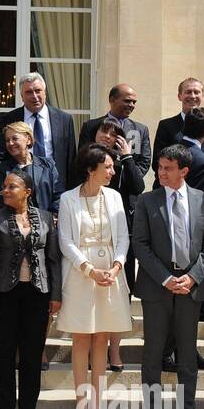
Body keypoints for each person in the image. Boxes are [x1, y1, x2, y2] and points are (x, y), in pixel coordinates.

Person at [132, 145, 204, 409]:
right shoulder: (147, 201)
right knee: (153, 352)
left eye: (168, 168)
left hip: (190, 287)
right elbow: (140, 244)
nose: (161, 172)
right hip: (158, 287)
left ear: (184, 171)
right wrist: (165, 278)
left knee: (187, 353)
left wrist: (193, 276)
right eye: (159, 166)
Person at [0, 170, 61, 409]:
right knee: (3, 352)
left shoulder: (45, 217)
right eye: (4, 186)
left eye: (12, 186)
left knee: (32, 353)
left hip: (38, 293)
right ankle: (5, 408)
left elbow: (54, 259)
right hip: (4, 293)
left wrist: (56, 295)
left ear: (28, 192)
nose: (6, 190)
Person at [57, 143, 132, 409]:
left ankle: (98, 407)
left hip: (111, 275)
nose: (112, 171)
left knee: (101, 339)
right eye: (108, 167)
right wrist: (89, 270)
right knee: (81, 340)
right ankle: (82, 407)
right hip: (80, 275)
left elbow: (123, 238)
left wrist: (115, 268)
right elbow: (66, 241)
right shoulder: (67, 199)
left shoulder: (114, 198)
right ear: (91, 169)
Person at [72, 118, 145, 372]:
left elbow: (138, 186)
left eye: (114, 133)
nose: (108, 136)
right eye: (104, 131)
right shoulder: (84, 162)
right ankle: (92, 352)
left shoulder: (120, 164)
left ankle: (113, 351)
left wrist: (126, 158)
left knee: (117, 299)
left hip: (116, 230)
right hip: (86, 234)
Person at [159, 106, 204, 372]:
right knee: (184, 307)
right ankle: (171, 353)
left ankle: (181, 351)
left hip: (168, 236)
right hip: (190, 235)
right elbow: (203, 197)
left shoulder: (176, 149)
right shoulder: (202, 161)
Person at [0, 72, 76, 194]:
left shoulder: (64, 119)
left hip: (54, 186)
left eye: (38, 91)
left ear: (45, 93)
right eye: (29, 92)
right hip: (18, 186)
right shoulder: (8, 119)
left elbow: (71, 158)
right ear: (21, 96)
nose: (34, 96)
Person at [152, 77, 204, 184]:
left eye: (197, 92)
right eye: (188, 92)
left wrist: (203, 168)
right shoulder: (166, 125)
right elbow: (156, 162)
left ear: (202, 96)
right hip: (171, 188)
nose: (193, 96)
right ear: (179, 96)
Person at [79, 83, 153, 179]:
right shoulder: (91, 126)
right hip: (98, 185)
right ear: (112, 100)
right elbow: (83, 157)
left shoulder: (141, 130)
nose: (131, 105)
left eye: (134, 102)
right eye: (127, 101)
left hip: (128, 189)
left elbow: (144, 162)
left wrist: (129, 179)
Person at [0, 121, 61, 212]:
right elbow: (2, 200)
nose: (11, 143)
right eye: (7, 140)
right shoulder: (2, 169)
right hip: (16, 222)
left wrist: (51, 217)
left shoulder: (48, 165)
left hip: (46, 222)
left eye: (15, 138)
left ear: (28, 139)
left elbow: (58, 196)